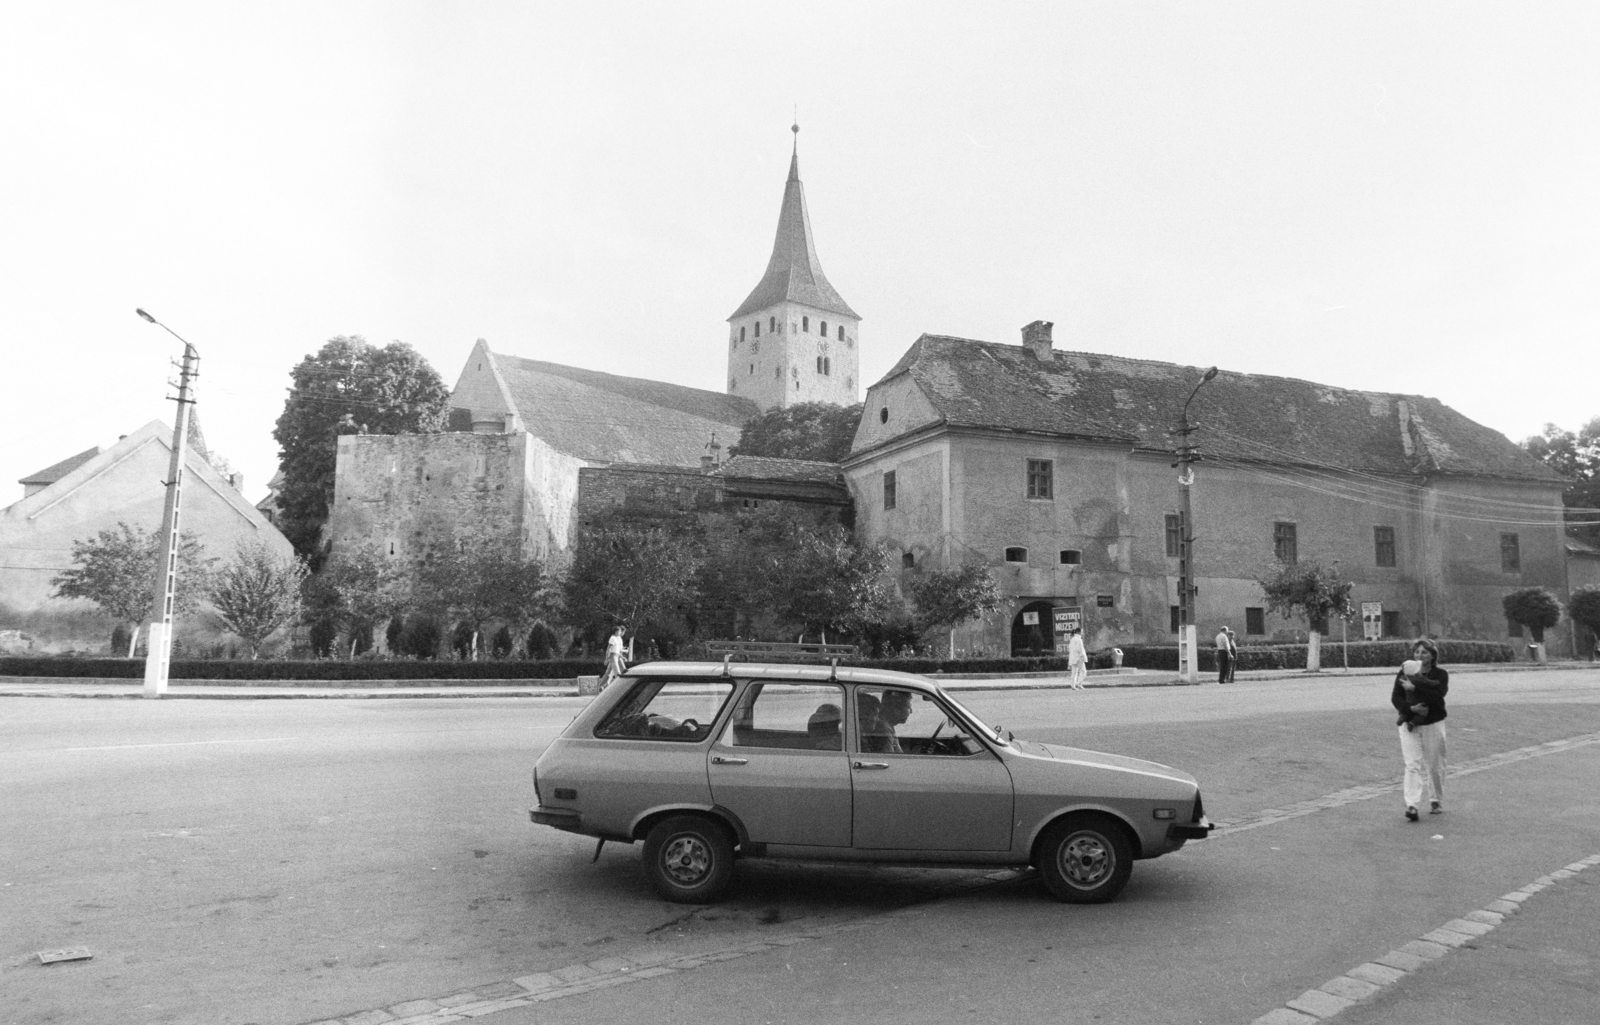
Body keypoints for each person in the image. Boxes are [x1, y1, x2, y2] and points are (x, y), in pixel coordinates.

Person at [1392, 638, 1448, 821]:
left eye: (1424, 652)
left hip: (1432, 723)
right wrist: (1410, 710)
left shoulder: (1440, 674)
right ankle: (1412, 805)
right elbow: (1396, 697)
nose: (1420, 655)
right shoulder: (1404, 672)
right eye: (1417, 652)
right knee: (1412, 764)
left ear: (1432, 656)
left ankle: (1435, 800)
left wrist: (1415, 687)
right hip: (1410, 723)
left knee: (1434, 764)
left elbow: (1437, 695)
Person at [598, 625, 627, 690]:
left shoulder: (616, 638)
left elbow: (617, 651)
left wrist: (622, 657)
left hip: (616, 656)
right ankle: (619, 688)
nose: (620, 632)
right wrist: (606, 659)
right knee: (618, 673)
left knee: (609, 673)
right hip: (613, 657)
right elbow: (609, 649)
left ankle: (601, 686)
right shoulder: (613, 638)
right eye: (619, 631)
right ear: (616, 631)